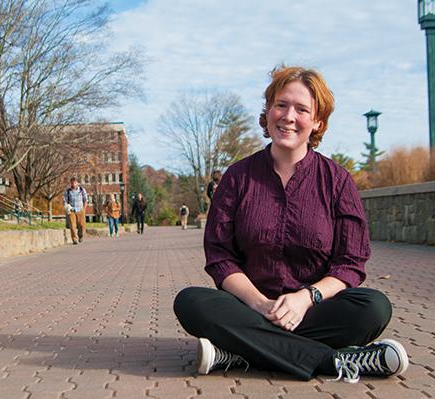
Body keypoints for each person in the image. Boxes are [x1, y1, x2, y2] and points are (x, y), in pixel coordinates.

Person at [173, 66, 408, 383]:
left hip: (314, 311)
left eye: (302, 109)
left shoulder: (337, 181)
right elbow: (220, 257)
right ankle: (335, 361)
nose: (288, 116)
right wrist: (260, 304)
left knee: (374, 307)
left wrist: (304, 299)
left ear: (317, 121)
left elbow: (349, 263)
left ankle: (241, 352)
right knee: (191, 303)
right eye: (281, 105)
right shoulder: (237, 178)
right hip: (249, 307)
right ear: (268, 111)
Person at [63, 177, 88, 245]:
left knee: (82, 225)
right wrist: (67, 208)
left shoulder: (82, 190)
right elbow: (65, 201)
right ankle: (74, 239)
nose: (73, 184)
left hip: (80, 209)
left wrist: (84, 209)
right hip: (72, 210)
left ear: (77, 183)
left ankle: (81, 236)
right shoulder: (68, 191)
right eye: (72, 183)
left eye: (74, 183)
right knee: (72, 225)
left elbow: (85, 200)